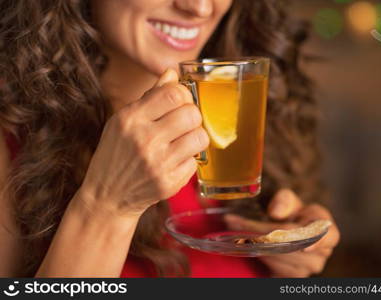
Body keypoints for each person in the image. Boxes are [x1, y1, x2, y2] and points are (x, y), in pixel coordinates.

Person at [0, 0, 340, 277]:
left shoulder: (247, 120)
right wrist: (106, 206)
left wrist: (289, 253)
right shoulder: (11, 143)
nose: (200, 8)